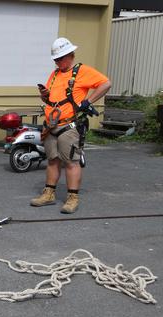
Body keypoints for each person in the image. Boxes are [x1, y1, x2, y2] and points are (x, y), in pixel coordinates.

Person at [31, 37, 111, 214]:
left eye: (60, 59)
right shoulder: (55, 74)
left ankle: (72, 198)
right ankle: (49, 193)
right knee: (52, 160)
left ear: (70, 55)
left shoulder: (82, 71)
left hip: (69, 125)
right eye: (55, 59)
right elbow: (52, 98)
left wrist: (88, 101)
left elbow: (106, 83)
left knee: (71, 162)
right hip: (52, 125)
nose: (58, 62)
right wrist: (44, 95)